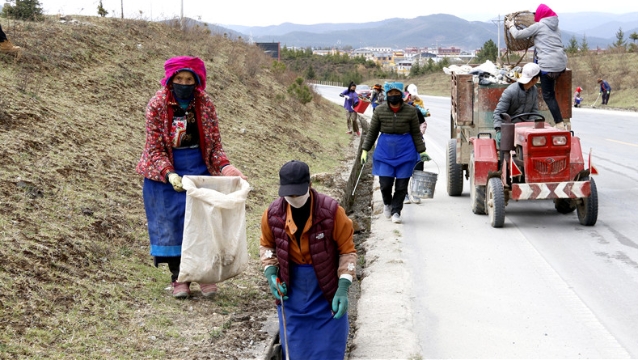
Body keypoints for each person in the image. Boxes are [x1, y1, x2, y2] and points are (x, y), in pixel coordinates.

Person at [136, 56, 247, 299]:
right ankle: (179, 278)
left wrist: (226, 167)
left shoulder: (205, 104)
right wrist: (170, 174)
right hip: (165, 174)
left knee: (203, 223)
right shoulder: (157, 104)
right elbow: (154, 148)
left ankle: (205, 275)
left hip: (199, 170)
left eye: (189, 79)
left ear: (197, 81)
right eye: (179, 79)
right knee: (173, 226)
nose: (184, 83)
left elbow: (215, 145)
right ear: (170, 79)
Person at [260, 160, 357, 360]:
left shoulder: (331, 212)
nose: (294, 198)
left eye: (298, 193)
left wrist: (343, 287)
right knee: (297, 349)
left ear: (309, 187)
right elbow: (267, 246)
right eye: (289, 195)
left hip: (326, 293)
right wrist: (271, 273)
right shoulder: (272, 215)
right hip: (293, 295)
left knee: (328, 348)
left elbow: (347, 251)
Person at [360, 82, 430, 224]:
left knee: (401, 185)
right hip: (385, 150)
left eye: (396, 94)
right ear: (386, 95)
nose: (393, 96)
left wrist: (422, 151)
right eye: (390, 94)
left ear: (401, 95)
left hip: (406, 150)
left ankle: (396, 211)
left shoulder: (411, 111)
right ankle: (387, 203)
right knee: (385, 183)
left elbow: (416, 133)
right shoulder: (379, 111)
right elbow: (372, 132)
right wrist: (365, 149)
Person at [505, 3, 568, 130]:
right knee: (537, 73)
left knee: (548, 95)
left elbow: (517, 35)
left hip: (548, 67)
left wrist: (510, 25)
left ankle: (559, 123)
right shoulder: (556, 28)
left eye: (536, 14)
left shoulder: (538, 26)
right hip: (561, 65)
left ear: (541, 15)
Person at [493, 63, 542, 149]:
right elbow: (499, 112)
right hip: (510, 128)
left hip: (526, 128)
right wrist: (499, 130)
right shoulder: (510, 91)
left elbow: (534, 112)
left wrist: (536, 127)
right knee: (506, 146)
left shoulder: (534, 90)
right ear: (535, 79)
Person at [404, 84, 431, 205]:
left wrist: (418, 134)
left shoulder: (415, 109)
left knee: (418, 167)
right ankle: (404, 194)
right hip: (402, 144)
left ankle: (416, 194)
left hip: (416, 143)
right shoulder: (396, 110)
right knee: (403, 170)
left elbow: (423, 123)